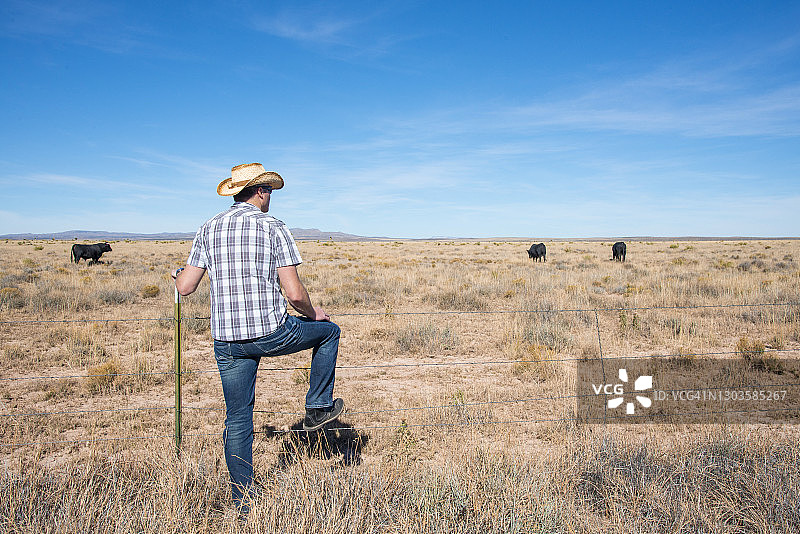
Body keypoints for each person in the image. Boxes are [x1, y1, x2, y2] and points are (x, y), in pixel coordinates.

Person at [172, 162, 344, 511]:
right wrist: (314, 313)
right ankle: (317, 407)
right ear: (261, 191)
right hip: (271, 331)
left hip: (227, 341)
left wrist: (176, 274)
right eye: (270, 191)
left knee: (237, 419)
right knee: (329, 332)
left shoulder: (209, 227)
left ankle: (243, 503)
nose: (271, 197)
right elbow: (294, 293)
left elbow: (186, 287)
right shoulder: (273, 227)